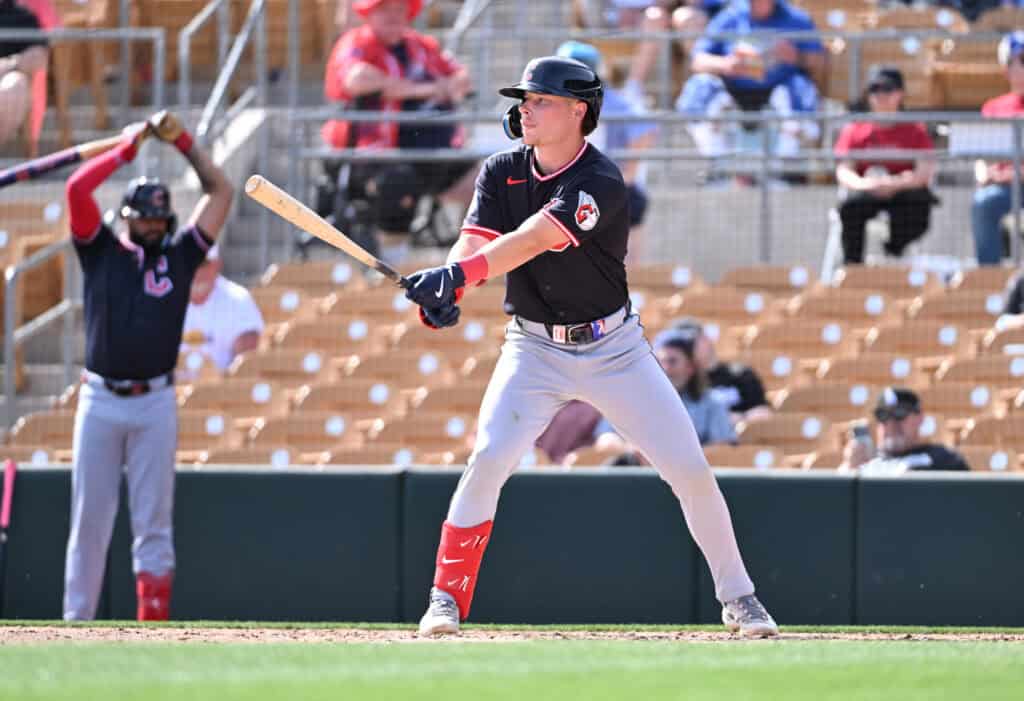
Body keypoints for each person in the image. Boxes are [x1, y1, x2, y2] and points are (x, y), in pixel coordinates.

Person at [403, 55, 778, 638]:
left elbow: (533, 239)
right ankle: (445, 599)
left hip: (615, 349)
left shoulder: (600, 178)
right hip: (533, 348)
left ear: (579, 111)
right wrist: (451, 285)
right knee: (489, 459)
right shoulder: (500, 171)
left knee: (688, 468)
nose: (526, 108)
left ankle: (741, 597)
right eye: (524, 100)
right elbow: (475, 241)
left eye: (541, 100)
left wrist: (457, 277)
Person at [62, 111, 234, 621]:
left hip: (156, 398)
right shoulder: (100, 252)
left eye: (159, 218)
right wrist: (122, 152)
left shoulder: (179, 257)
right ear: (127, 217)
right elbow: (76, 191)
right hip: (100, 397)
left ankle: (152, 629)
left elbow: (220, 193)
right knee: (90, 520)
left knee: (153, 522)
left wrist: (185, 143)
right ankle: (75, 625)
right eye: (144, 217)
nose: (152, 225)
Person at [321, 0, 477, 263]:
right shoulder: (357, 41)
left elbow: (462, 78)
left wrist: (443, 86)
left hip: (430, 148)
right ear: (369, 12)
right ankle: (394, 267)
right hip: (374, 154)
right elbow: (355, 78)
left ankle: (470, 262)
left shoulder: (421, 45)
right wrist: (420, 89)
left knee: (486, 182)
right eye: (385, 8)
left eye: (400, 8)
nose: (394, 15)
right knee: (398, 184)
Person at [675, 0, 824, 171]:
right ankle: (718, 168)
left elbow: (819, 61)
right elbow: (698, 60)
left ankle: (786, 170)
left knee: (801, 87)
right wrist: (726, 64)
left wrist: (796, 57)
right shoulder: (731, 16)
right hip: (734, 89)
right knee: (700, 86)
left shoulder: (796, 18)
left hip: (780, 89)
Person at [833, 66, 938, 265]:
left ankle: (894, 249)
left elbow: (924, 173)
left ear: (900, 94)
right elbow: (844, 171)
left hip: (903, 192)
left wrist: (894, 184)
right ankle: (853, 268)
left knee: (919, 203)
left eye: (887, 89)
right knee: (849, 208)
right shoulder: (855, 129)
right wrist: (869, 185)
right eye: (874, 90)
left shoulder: (915, 130)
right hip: (867, 192)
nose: (880, 95)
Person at [556, 41, 657, 239]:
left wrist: (627, 173)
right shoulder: (557, 103)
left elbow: (645, 130)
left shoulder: (608, 101)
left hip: (604, 192)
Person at [595, 327, 737, 460]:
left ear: (690, 368)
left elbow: (722, 450)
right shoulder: (629, 400)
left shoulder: (711, 404)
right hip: (638, 479)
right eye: (659, 361)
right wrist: (632, 452)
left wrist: (676, 459)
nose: (665, 369)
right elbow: (605, 440)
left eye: (672, 361)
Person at [657, 318, 773, 425]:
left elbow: (763, 414)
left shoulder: (739, 374)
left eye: (691, 341)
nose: (687, 348)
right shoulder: (678, 379)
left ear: (706, 340)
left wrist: (721, 418)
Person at [972, 32, 1024, 266]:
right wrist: (983, 173)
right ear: (1006, 69)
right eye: (1022, 59)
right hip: (1004, 188)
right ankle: (989, 279)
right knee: (984, 202)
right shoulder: (993, 107)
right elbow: (981, 154)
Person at [838, 387, 969, 474]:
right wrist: (849, 469)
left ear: (920, 418)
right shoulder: (866, 463)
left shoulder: (943, 459)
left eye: (899, 413)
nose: (890, 423)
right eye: (882, 415)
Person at [181, 244, 264, 372]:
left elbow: (247, 365)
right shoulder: (161, 299)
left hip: (221, 389)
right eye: (189, 263)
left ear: (217, 265)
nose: (196, 272)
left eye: (202, 264)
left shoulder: (238, 301)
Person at [0, 0, 47, 147]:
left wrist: (11, 65)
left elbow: (39, 56)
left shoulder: (22, 16)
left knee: (15, 84)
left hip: (5, 80)